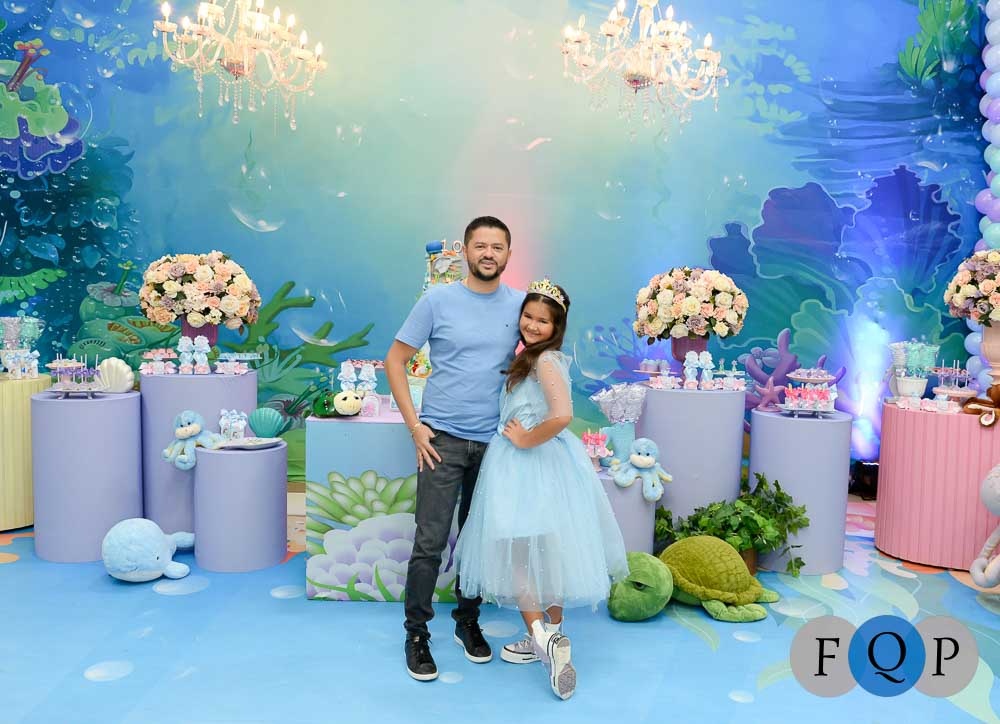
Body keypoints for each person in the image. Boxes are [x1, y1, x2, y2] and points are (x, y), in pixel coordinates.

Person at [453, 279, 629, 700]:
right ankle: (554, 632)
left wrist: (524, 439)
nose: (532, 325)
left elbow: (562, 414)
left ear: (557, 326)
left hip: (525, 463)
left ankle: (541, 638)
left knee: (519, 554)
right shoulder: (535, 357)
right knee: (545, 551)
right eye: (528, 317)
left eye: (542, 321)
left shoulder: (545, 360)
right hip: (543, 464)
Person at [385, 216, 524, 682]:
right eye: (480, 245)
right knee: (430, 541)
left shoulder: (520, 306)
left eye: (497, 247)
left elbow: (541, 357)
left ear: (509, 254)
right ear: (464, 251)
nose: (488, 253)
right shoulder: (437, 300)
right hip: (441, 440)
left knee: (475, 541)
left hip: (494, 444)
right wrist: (415, 427)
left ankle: (468, 620)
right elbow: (395, 360)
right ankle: (416, 633)